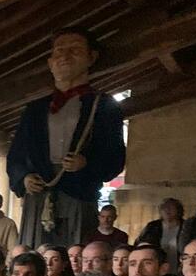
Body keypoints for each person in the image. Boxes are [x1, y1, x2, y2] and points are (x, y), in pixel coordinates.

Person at [9, 28, 125, 247]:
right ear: (50, 62)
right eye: (59, 51)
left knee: (77, 251)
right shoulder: (34, 109)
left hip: (79, 191)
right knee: (33, 253)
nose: (65, 56)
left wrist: (86, 163)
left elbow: (114, 155)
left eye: (75, 50)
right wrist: (23, 177)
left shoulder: (104, 106)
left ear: (91, 57)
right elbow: (16, 154)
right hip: (39, 193)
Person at [136, 197, 185, 275]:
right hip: (156, 269)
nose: (167, 210)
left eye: (171, 207)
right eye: (164, 208)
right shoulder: (153, 226)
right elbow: (141, 244)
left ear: (178, 210)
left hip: (180, 269)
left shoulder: (185, 226)